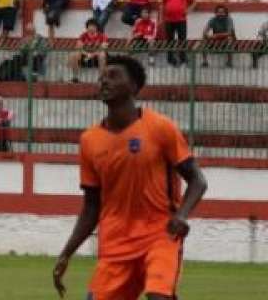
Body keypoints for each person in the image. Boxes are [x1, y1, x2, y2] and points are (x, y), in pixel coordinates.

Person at [52, 56, 208, 300]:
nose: (104, 81)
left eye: (113, 76)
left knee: (158, 295)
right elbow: (91, 206)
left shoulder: (160, 127)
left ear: (134, 86)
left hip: (160, 234)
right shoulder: (89, 140)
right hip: (115, 244)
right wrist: (66, 253)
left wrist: (181, 215)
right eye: (102, 77)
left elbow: (198, 180)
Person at [161, 0, 195, 67]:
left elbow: (192, 1)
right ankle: (170, 58)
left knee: (182, 39)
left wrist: (188, 10)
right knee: (169, 40)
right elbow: (163, 3)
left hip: (181, 19)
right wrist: (164, 14)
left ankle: (183, 57)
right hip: (169, 20)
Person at [70, 19, 108, 83]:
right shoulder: (83, 36)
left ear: (97, 27)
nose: (91, 28)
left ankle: (101, 78)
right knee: (73, 54)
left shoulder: (102, 36)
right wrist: (87, 54)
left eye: (93, 26)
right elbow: (78, 47)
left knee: (102, 54)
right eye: (89, 26)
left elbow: (103, 48)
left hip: (96, 56)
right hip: (85, 56)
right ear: (87, 27)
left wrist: (93, 54)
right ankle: (75, 77)